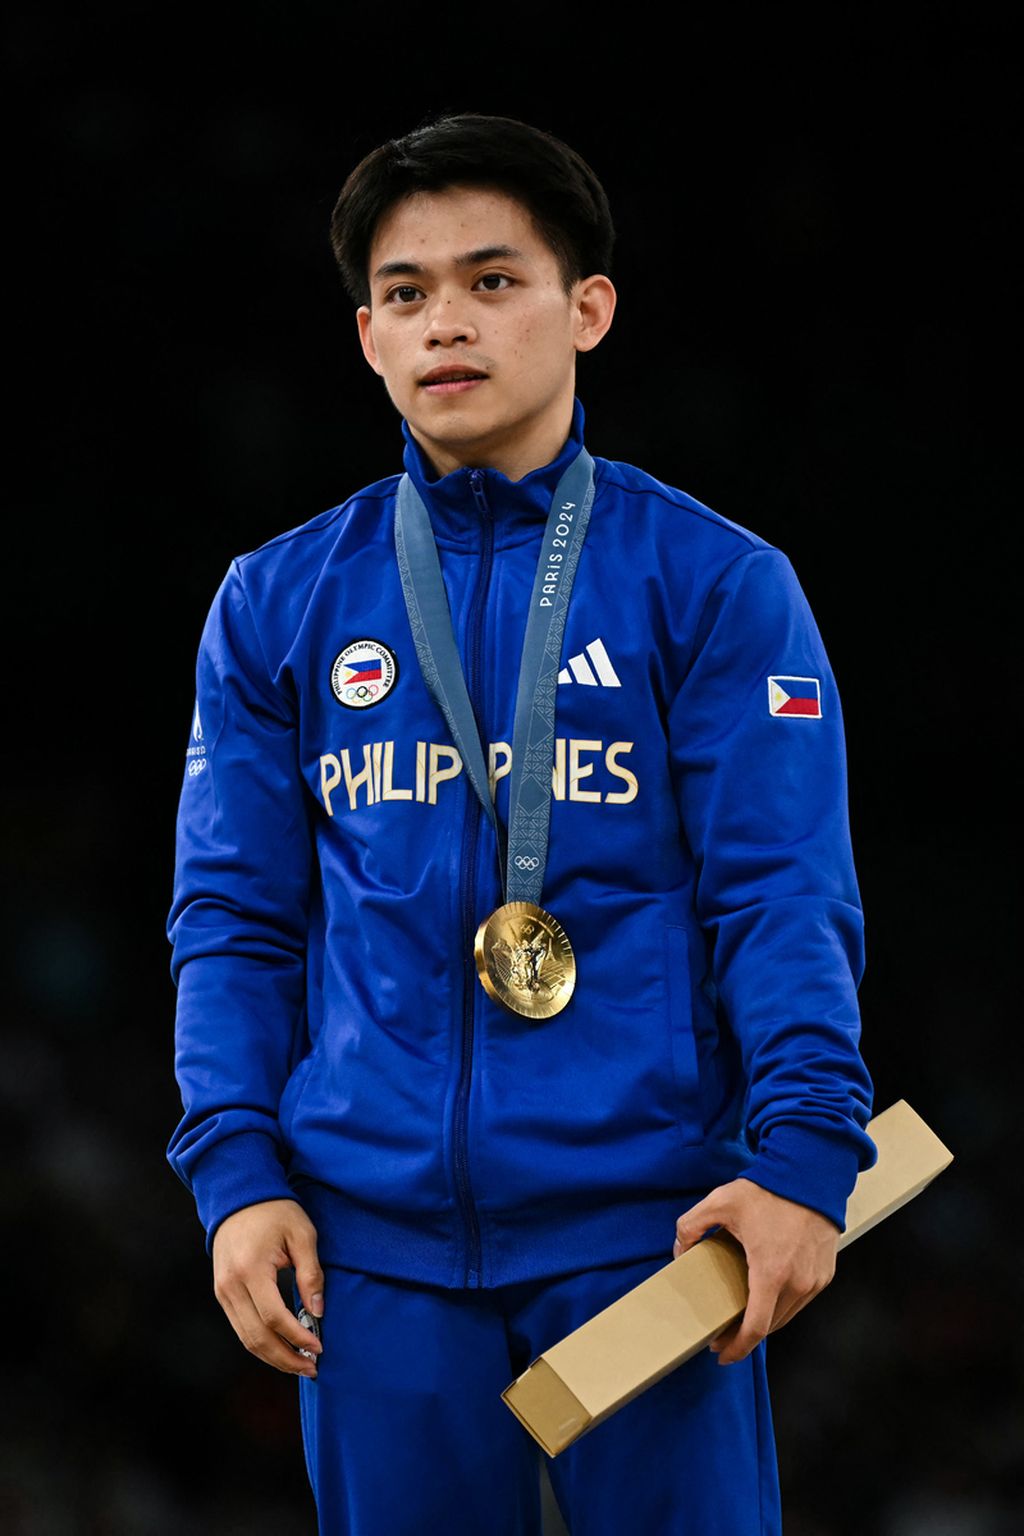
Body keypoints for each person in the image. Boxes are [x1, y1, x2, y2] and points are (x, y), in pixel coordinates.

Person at [167, 113, 876, 1535]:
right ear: (367, 334)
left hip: (652, 1238)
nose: (447, 324)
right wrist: (236, 1174)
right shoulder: (277, 601)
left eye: (494, 281)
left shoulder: (717, 584)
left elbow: (782, 898)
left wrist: (802, 1157)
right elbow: (236, 921)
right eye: (408, 293)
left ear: (588, 309)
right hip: (370, 1261)